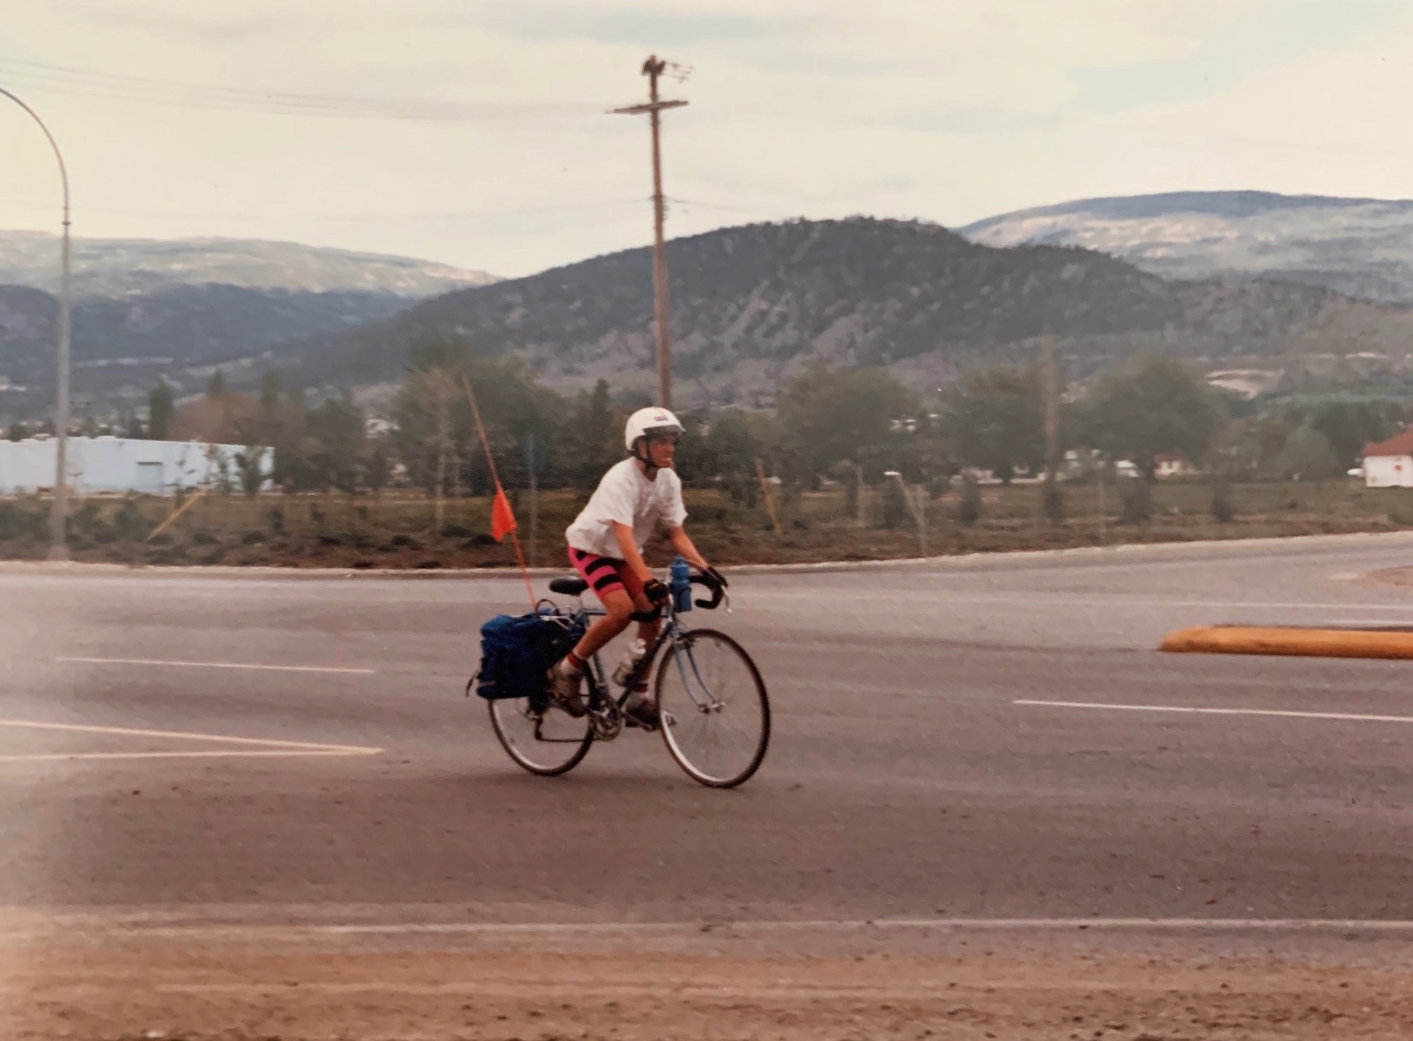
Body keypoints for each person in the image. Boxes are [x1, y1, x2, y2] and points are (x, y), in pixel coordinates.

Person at [550, 406, 726, 727]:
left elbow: (677, 534)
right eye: (660, 441)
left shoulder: (669, 480)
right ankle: (567, 669)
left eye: (672, 441)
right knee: (620, 610)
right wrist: (647, 579)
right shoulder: (621, 479)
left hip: (623, 553)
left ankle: (635, 697)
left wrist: (707, 569)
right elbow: (624, 537)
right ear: (640, 445)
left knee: (653, 611)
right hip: (593, 549)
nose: (669, 448)